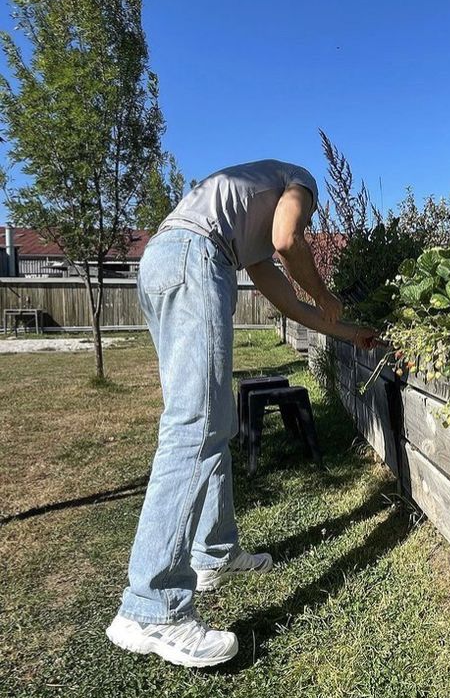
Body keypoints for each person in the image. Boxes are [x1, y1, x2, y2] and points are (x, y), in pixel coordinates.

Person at [106, 159, 378, 668]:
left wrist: (348, 330)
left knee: (209, 421)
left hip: (163, 262)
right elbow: (287, 240)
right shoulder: (299, 180)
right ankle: (151, 606)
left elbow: (289, 303)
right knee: (195, 428)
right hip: (193, 260)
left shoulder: (239, 223)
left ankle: (215, 553)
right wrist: (327, 292)